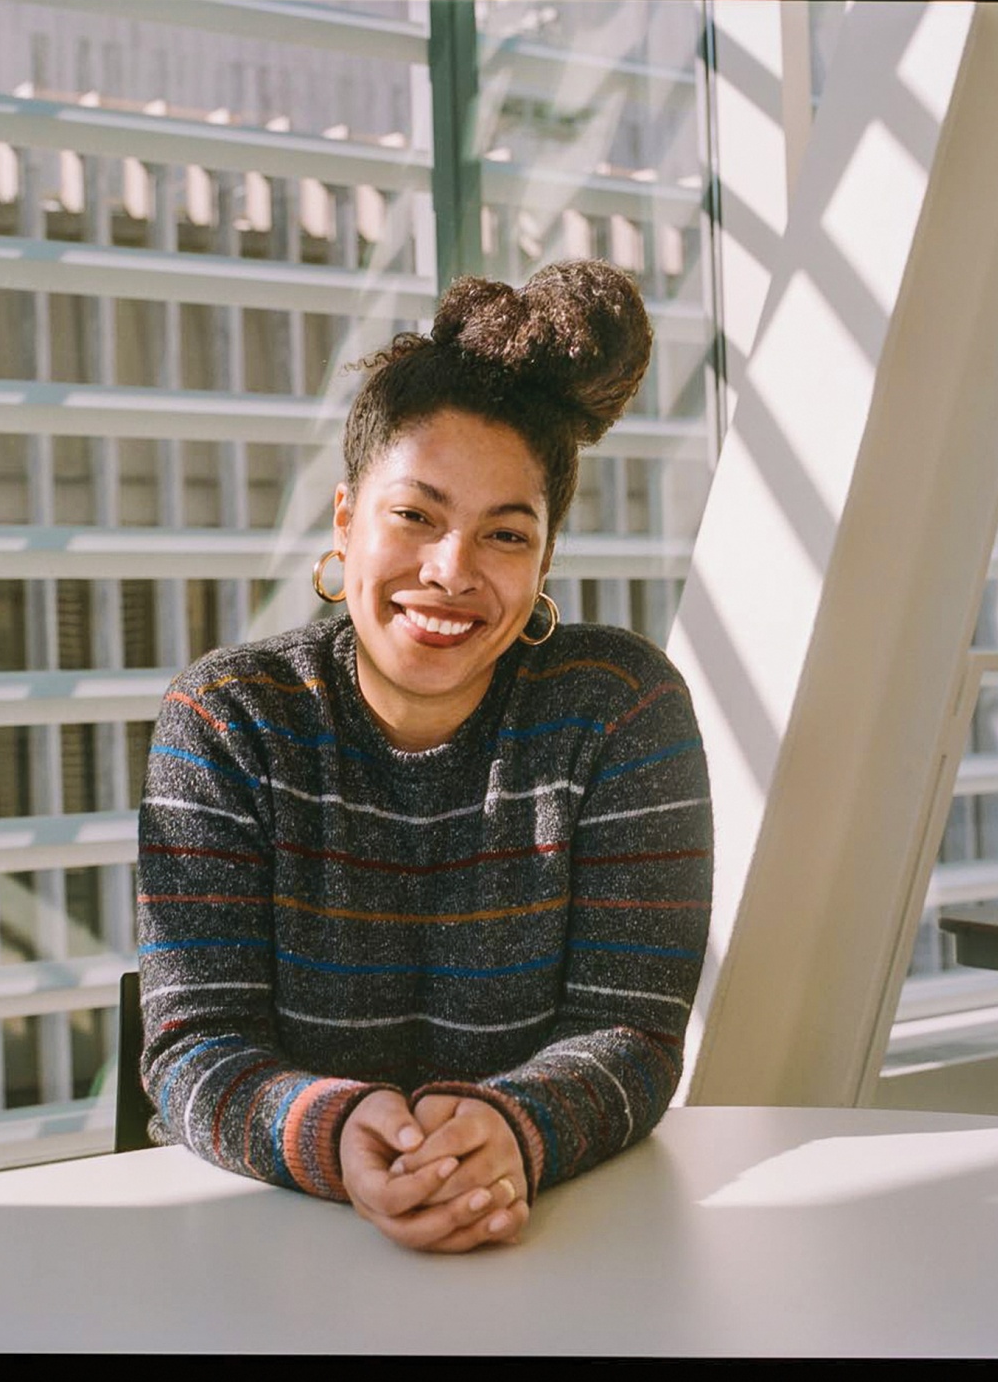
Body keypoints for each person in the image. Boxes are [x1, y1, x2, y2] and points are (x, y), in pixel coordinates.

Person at [136, 258, 712, 1253]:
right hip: (263, 1246)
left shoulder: (620, 710)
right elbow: (194, 1044)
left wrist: (511, 1127)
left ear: (543, 562)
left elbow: (632, 1032)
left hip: (548, 1242)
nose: (449, 571)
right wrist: (330, 1128)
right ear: (347, 519)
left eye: (504, 533)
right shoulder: (228, 720)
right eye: (414, 514)